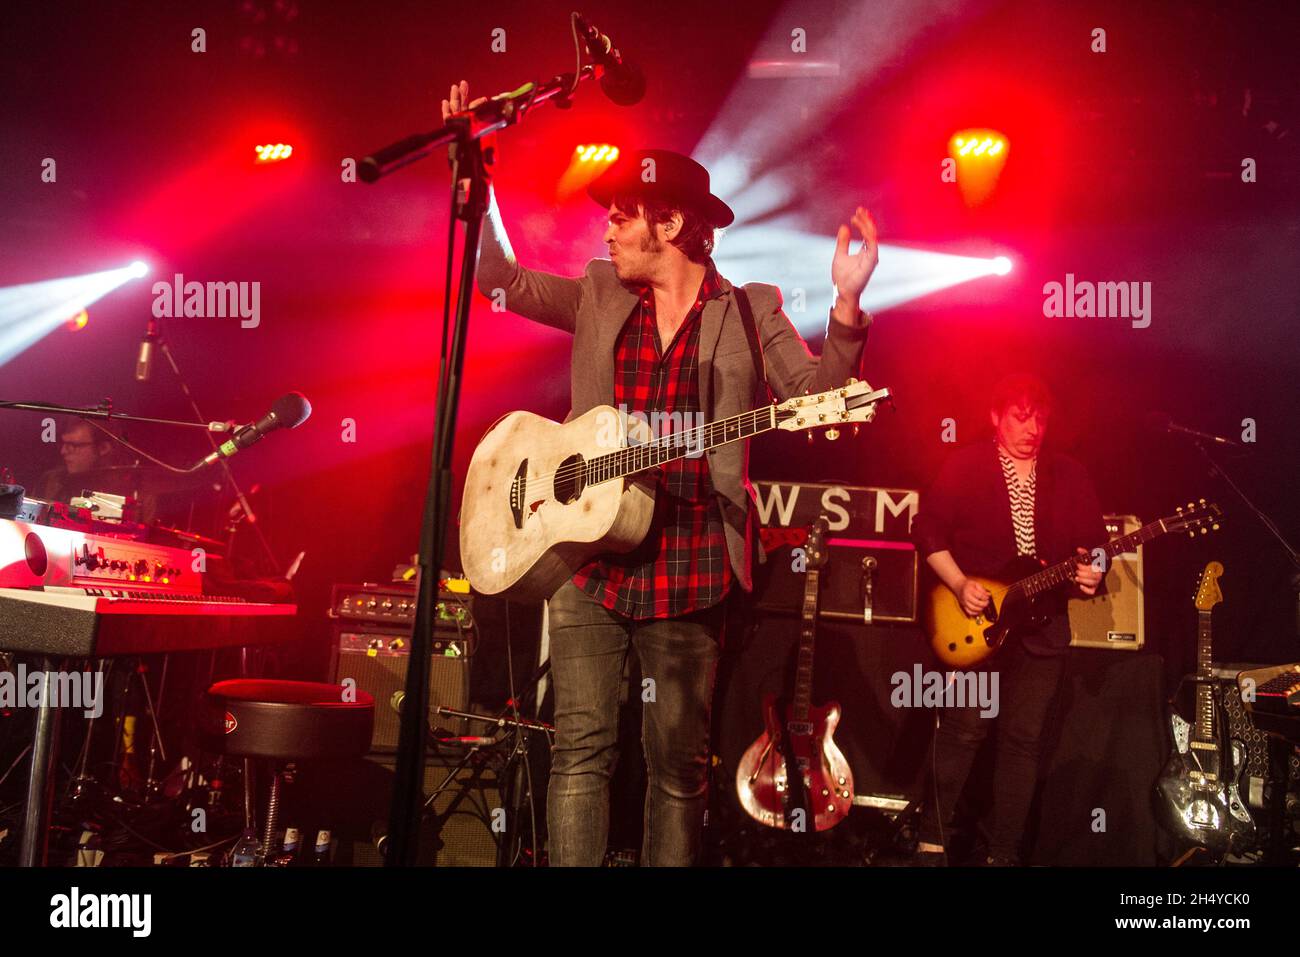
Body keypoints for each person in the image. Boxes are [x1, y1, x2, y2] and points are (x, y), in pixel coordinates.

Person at [444, 81, 881, 865]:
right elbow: (501, 280)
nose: (607, 226)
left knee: (677, 769)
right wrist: (481, 185)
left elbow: (818, 399)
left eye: (623, 215)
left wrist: (846, 309)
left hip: (692, 559)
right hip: (591, 556)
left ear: (671, 223)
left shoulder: (750, 308)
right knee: (580, 751)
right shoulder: (600, 291)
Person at [911, 373, 1106, 865]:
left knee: (1023, 743)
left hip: (1043, 631)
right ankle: (932, 842)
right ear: (996, 417)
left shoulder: (1069, 474)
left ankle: (1003, 854)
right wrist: (959, 584)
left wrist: (1092, 573)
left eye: (1039, 418)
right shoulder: (966, 465)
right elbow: (927, 529)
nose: (1031, 428)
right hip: (978, 622)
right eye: (1020, 417)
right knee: (964, 730)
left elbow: (1098, 545)